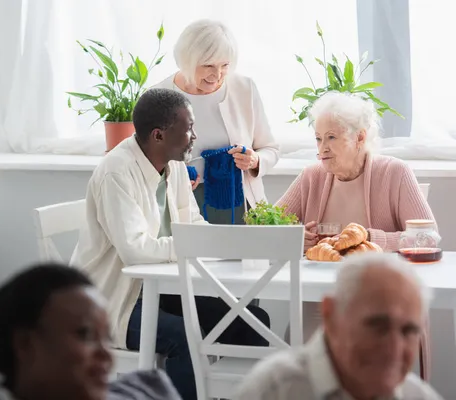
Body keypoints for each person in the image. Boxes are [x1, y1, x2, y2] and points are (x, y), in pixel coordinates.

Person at [70, 88, 270, 400]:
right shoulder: (116, 172)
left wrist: (221, 243)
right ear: (159, 135)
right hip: (115, 301)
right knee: (184, 336)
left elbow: (193, 223)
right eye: (188, 127)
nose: (195, 135)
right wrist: (194, 246)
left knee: (253, 321)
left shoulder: (173, 163)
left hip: (160, 291)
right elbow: (135, 250)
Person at [276, 91, 435, 375]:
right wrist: (293, 237)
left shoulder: (395, 172)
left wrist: (374, 238)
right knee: (303, 365)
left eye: (332, 138)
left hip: (381, 302)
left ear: (360, 137)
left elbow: (427, 236)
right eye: (318, 138)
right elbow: (265, 227)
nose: (322, 147)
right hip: (319, 300)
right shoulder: (311, 176)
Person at [237, 253, 443, 400]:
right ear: (330, 315)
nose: (394, 349)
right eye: (377, 326)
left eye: (409, 331)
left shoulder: (418, 396)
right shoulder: (272, 391)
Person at [0, 263, 181, 400]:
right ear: (25, 344)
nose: (107, 356)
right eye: (85, 335)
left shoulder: (150, 389)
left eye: (107, 338)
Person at [154, 19, 279, 224]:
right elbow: (144, 164)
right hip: (182, 204)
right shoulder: (158, 97)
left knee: (242, 254)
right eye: (208, 65)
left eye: (225, 65)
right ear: (187, 61)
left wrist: (255, 160)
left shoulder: (244, 89)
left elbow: (270, 149)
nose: (217, 74)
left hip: (239, 203)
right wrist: (173, 174)